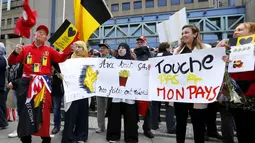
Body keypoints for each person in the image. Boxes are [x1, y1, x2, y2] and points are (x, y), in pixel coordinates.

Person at [8, 25, 73, 143]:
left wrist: (69, 49)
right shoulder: (25, 49)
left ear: (46, 38)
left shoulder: (49, 50)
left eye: (44, 33)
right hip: (27, 85)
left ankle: (45, 137)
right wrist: (15, 52)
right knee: (25, 110)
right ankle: (25, 136)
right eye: (39, 32)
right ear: (35, 35)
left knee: (44, 111)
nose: (41, 34)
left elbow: (60, 58)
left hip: (43, 85)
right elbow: (12, 61)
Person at [174, 24, 211, 143]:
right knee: (180, 124)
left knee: (199, 125)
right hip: (181, 94)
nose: (183, 35)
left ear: (195, 34)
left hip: (197, 94)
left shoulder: (206, 48)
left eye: (186, 32)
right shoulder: (177, 51)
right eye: (182, 33)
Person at [221, 22, 255, 143]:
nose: (236, 32)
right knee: (241, 129)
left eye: (240, 30)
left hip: (252, 93)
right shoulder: (229, 49)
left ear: (252, 33)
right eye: (235, 30)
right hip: (235, 93)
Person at [106, 43, 139, 143]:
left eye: (123, 48)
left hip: (130, 97)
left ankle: (131, 138)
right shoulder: (113, 62)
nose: (121, 50)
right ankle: (113, 136)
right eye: (119, 48)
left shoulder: (134, 63)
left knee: (131, 118)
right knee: (114, 117)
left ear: (128, 50)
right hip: (116, 96)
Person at [62, 41, 89, 143]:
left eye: (79, 47)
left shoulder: (88, 61)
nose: (77, 49)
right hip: (71, 92)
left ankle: (81, 136)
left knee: (82, 115)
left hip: (83, 93)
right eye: (76, 46)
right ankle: (69, 136)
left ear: (84, 49)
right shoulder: (69, 61)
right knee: (70, 115)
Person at [151, 42, 176, 134]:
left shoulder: (154, 57)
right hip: (169, 85)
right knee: (169, 106)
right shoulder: (171, 56)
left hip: (156, 84)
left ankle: (154, 124)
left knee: (154, 105)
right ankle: (170, 127)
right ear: (167, 48)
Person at [134, 36, 154, 139]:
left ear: (145, 42)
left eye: (141, 41)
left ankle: (147, 129)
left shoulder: (151, 54)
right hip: (135, 85)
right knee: (134, 108)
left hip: (147, 85)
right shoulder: (133, 55)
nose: (139, 43)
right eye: (138, 42)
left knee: (148, 109)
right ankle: (134, 127)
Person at [96, 43, 115, 133]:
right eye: (100, 48)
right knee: (100, 108)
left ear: (108, 50)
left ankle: (110, 126)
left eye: (103, 48)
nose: (101, 49)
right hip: (99, 87)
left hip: (109, 88)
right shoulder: (97, 60)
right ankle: (101, 126)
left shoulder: (113, 60)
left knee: (110, 108)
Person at [6, 63, 24, 138]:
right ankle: (21, 130)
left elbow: (23, 76)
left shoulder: (22, 62)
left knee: (20, 109)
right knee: (19, 109)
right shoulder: (14, 63)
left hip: (21, 88)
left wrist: (13, 82)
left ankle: (20, 130)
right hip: (16, 87)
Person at [51, 61, 64, 134]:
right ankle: (56, 126)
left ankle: (67, 127)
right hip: (56, 87)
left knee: (67, 109)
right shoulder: (56, 59)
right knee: (56, 108)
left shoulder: (72, 57)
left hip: (67, 88)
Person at [0, 42, 8, 130]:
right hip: (2, 85)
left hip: (1, 85)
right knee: (2, 104)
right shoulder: (3, 58)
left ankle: (3, 122)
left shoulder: (2, 59)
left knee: (1, 105)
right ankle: (3, 121)